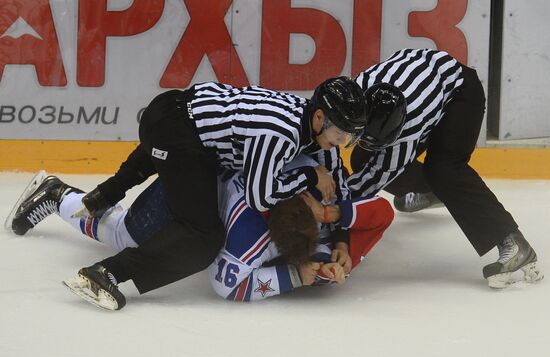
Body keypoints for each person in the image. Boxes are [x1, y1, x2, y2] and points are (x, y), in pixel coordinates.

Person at [6, 78, 367, 310]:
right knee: (202, 239)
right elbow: (261, 197)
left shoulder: (303, 120)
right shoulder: (284, 132)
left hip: (178, 118)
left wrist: (343, 238)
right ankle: (105, 273)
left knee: (130, 230)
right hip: (178, 137)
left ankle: (73, 195)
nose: (345, 144)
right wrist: (308, 175)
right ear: (320, 118)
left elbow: (334, 175)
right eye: (343, 135)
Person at [347, 48, 543, 288]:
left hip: (461, 93)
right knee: (363, 159)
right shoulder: (357, 93)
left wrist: (328, 207)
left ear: (398, 132)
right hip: (427, 80)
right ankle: (432, 192)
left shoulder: (410, 125)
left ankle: (513, 243)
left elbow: (373, 179)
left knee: (444, 170)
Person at [208, 161, 393, 301]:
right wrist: (294, 276)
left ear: (311, 208)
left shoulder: (319, 184)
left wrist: (331, 216)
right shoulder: (247, 238)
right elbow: (227, 286)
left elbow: (383, 212)